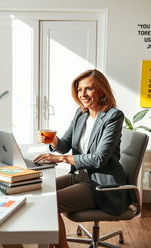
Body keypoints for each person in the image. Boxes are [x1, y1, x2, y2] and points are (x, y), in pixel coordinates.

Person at [33, 69, 131, 248]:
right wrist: (53, 141)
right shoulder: (81, 113)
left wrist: (61, 159)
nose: (82, 94)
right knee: (40, 192)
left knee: (50, 203)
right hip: (80, 175)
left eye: (88, 89)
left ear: (102, 90)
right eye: (79, 89)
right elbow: (65, 145)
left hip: (101, 184)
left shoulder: (113, 116)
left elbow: (98, 159)